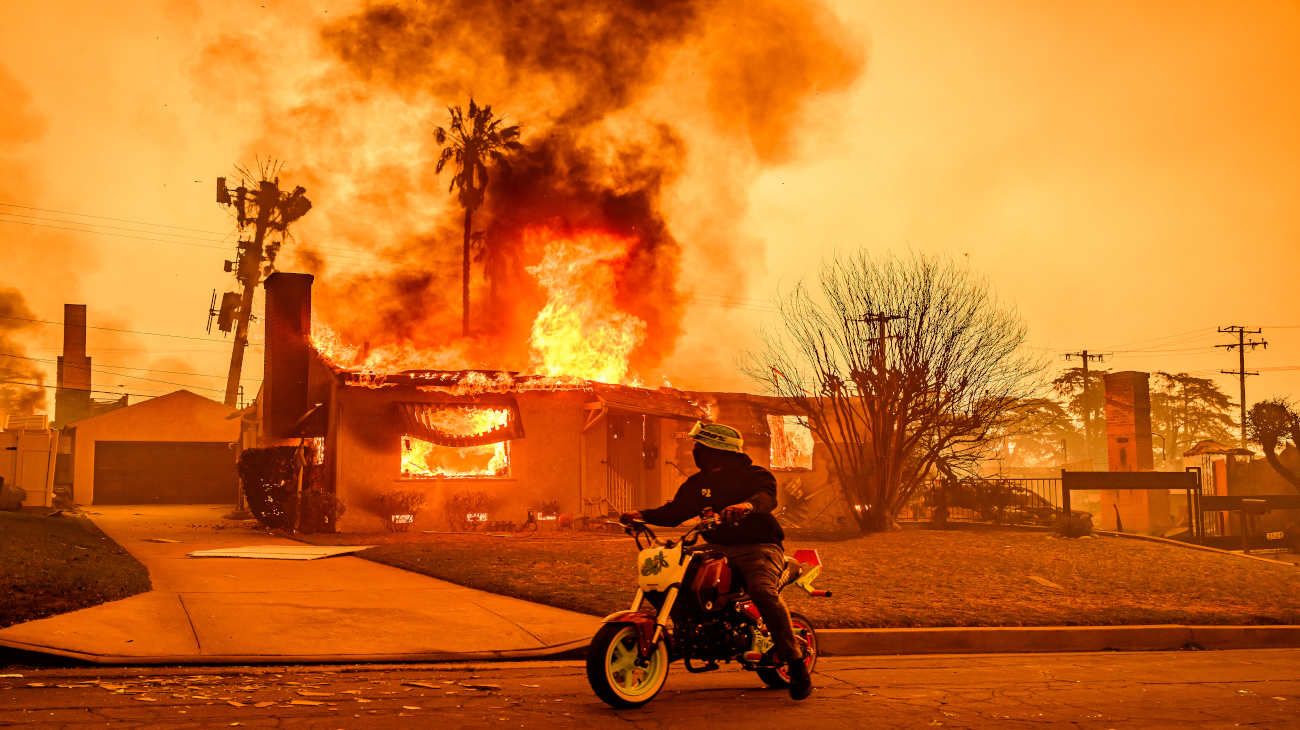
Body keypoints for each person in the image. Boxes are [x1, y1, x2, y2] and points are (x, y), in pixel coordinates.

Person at [620, 421, 813, 701]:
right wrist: (641, 515)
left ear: (717, 451)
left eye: (700, 447)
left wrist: (746, 506)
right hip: (716, 547)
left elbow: (766, 498)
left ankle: (795, 664)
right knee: (677, 578)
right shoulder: (698, 484)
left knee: (762, 591)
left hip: (758, 547)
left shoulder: (754, 475)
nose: (696, 451)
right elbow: (674, 513)